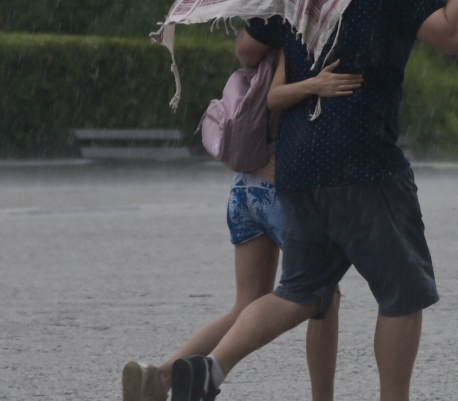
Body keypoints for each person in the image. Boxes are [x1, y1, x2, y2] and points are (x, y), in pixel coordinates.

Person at [168, 0, 458, 401]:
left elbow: (248, 47)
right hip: (363, 162)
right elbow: (456, 36)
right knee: (403, 294)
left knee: (298, 292)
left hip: (297, 166)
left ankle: (211, 368)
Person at [122, 40, 362, 401]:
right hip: (281, 195)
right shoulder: (299, 46)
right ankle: (321, 398)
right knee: (325, 295)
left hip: (245, 190)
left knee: (247, 303)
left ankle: (160, 377)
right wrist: (317, 85)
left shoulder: (265, 52)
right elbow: (280, 101)